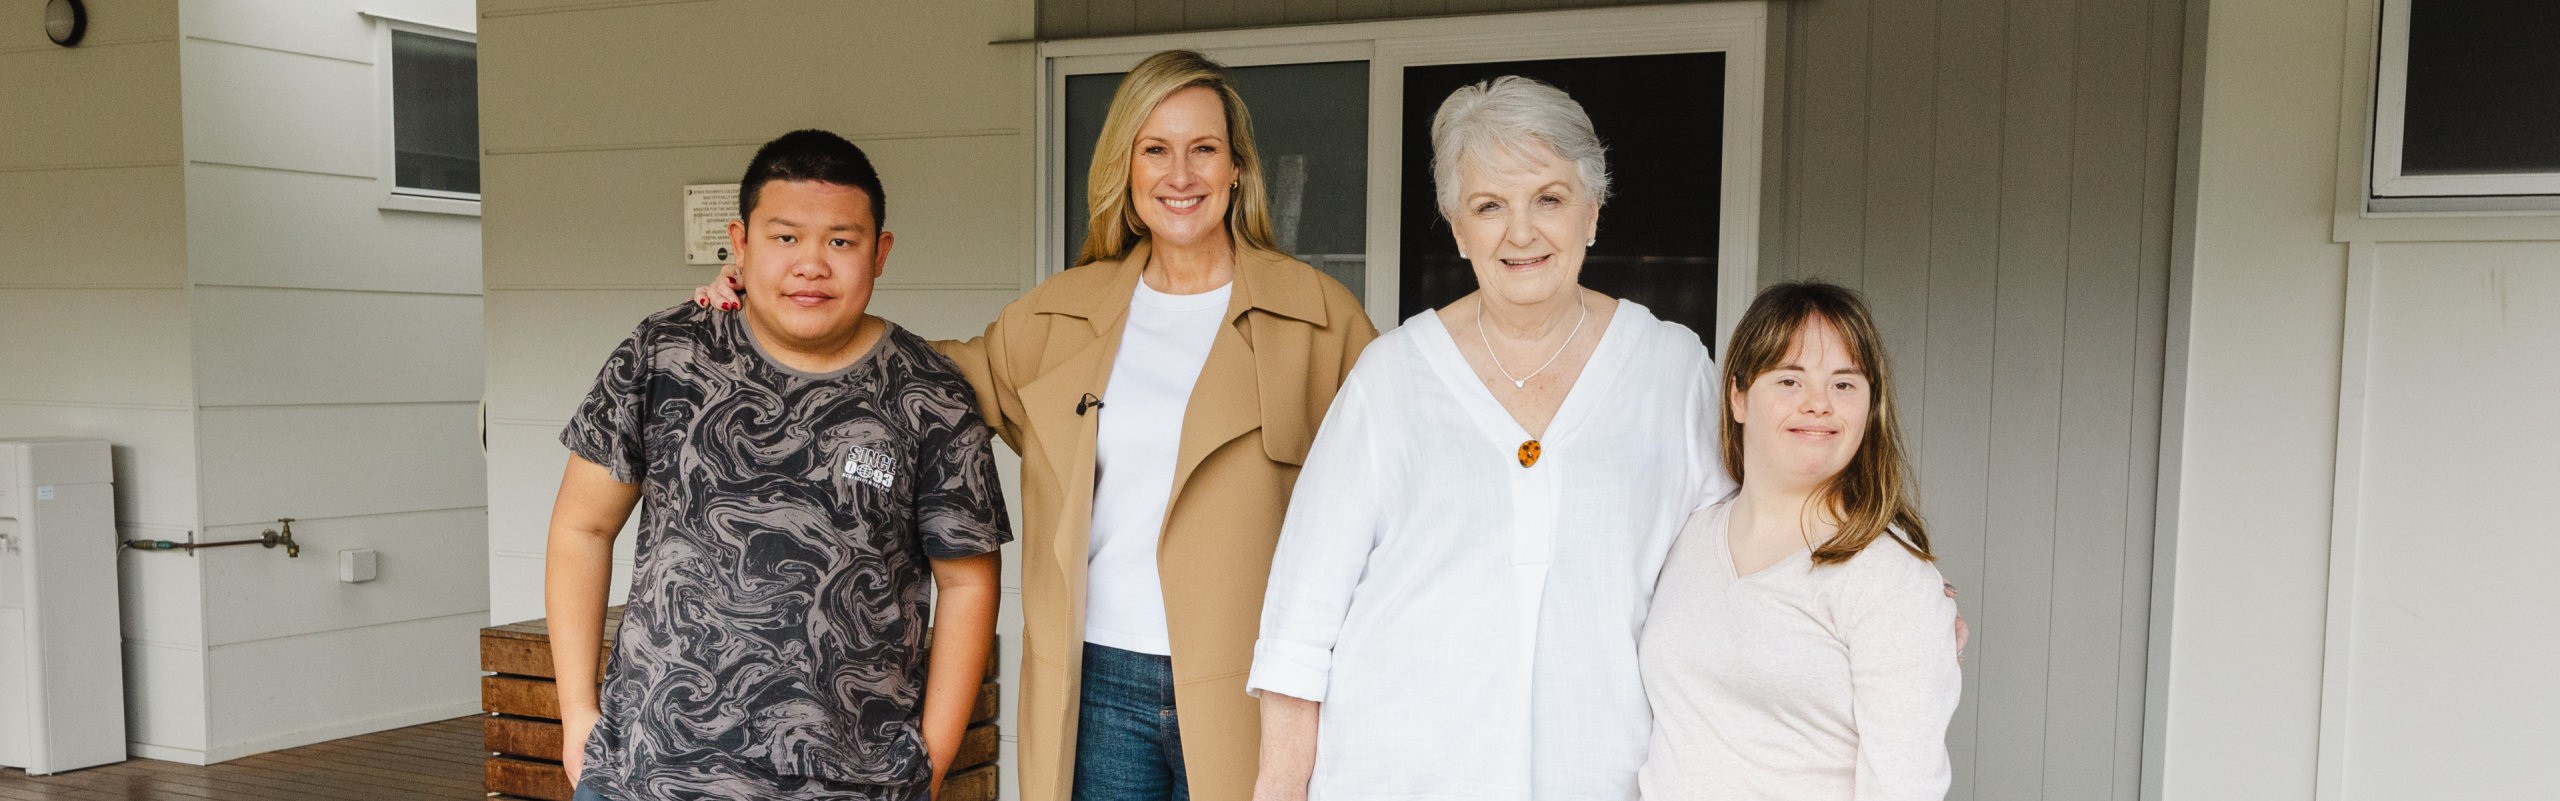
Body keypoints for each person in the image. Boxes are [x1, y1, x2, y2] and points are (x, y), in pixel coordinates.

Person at [696, 51, 1376, 801]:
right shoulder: (1061, 316)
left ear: (1237, 167)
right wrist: (770, 312)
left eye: (1204, 149)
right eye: (1155, 149)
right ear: (1126, 168)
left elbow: (1387, 517)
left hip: (1256, 684)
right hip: (1096, 686)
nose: (1180, 174)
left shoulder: (1320, 319)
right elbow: (919, 377)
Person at [1246, 76, 1729, 801]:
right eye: (1489, 206)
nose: (1521, 232)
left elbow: (1731, 579)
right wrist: (1280, 785)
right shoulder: (1392, 376)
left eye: (1549, 199)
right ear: (1457, 227)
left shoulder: (1673, 369)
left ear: (1593, 211)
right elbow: (1302, 617)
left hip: (1601, 771)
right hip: (1397, 773)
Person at [546, 130, 1010, 801]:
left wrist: (928, 761)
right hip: (644, 773)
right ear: (740, 243)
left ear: (880, 252)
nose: (811, 264)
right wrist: (576, 716)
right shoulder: (664, 355)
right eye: (785, 237)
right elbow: (581, 528)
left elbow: (967, 582)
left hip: (854, 783)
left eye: (841, 241)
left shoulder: (929, 395)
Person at [1637, 281, 1963, 800]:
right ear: (1739, 397)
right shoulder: (1684, 536)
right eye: (1789, 380)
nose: (1818, 404)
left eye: (1844, 384)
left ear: (1869, 405)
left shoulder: (1889, 576)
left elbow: (1905, 786)